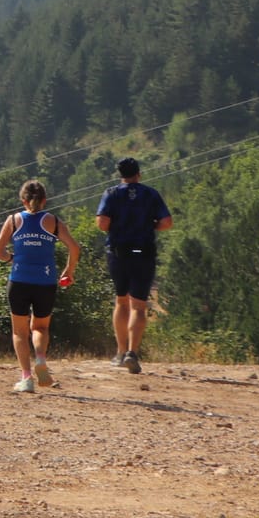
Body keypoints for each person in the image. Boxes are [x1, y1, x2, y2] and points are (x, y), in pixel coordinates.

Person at [0, 179, 81, 394]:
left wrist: (12, 258)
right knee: (40, 327)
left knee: (19, 332)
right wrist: (69, 271)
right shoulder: (54, 222)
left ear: (23, 200)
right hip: (45, 282)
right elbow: (74, 247)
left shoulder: (13, 220)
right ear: (44, 200)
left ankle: (26, 378)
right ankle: (40, 358)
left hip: (19, 280)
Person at [95, 157, 173, 374]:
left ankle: (120, 353)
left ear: (121, 175)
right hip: (143, 252)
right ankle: (133, 352)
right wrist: (149, 227)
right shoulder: (150, 194)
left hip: (119, 253)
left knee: (121, 302)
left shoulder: (111, 193)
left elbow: (102, 223)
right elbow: (167, 222)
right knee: (138, 305)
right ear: (139, 173)